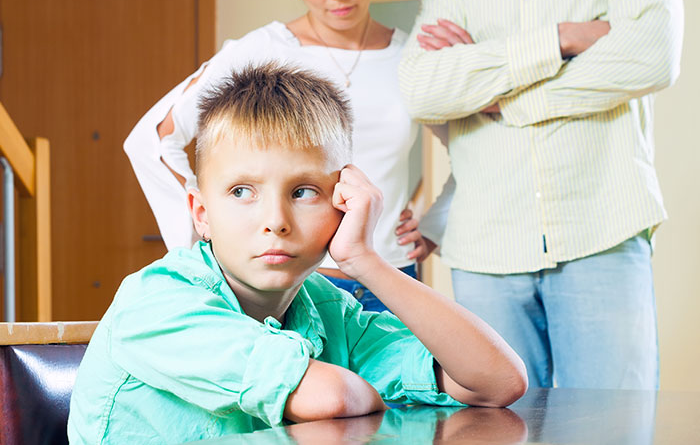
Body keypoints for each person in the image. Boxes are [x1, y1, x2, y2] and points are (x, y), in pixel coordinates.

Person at [68, 64, 527, 444]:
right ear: (201, 214)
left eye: (303, 191)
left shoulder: (328, 310)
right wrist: (363, 393)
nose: (276, 220)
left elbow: (497, 381)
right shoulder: (156, 302)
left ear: (343, 199)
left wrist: (365, 260)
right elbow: (334, 399)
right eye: (242, 191)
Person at [399, 0, 683, 390]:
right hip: (485, 249)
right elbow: (422, 90)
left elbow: (652, 57)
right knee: (502, 429)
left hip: (603, 228)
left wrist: (499, 88)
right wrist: (561, 40)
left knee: (611, 429)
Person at [123, 0, 431, 313]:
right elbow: (150, 140)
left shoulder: (414, 56)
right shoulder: (262, 49)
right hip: (302, 285)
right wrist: (205, 238)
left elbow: (471, 146)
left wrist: (435, 227)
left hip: (391, 274)